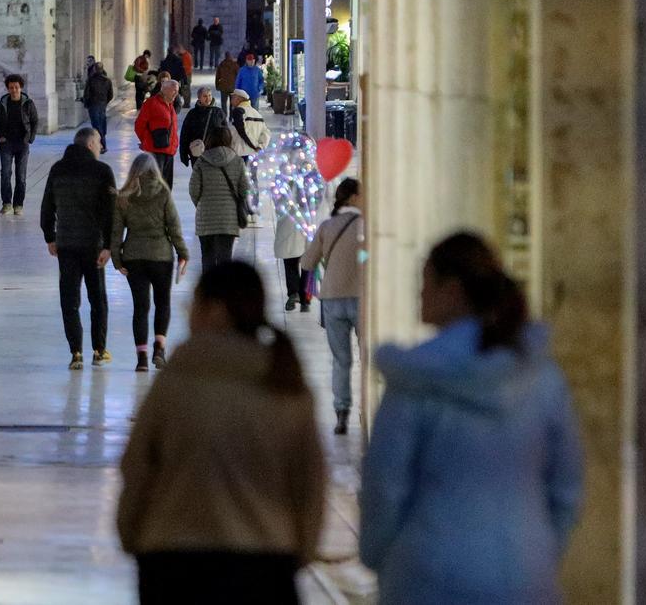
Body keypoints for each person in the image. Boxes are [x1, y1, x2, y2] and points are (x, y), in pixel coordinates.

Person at [360, 233, 583, 604]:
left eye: (425, 282)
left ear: (452, 290)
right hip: (524, 577)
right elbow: (566, 486)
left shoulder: (415, 380)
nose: (419, 294)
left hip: (426, 577)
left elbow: (385, 486)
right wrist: (540, 552)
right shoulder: (543, 379)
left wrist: (379, 556)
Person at [117, 262, 325, 605]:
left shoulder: (175, 383)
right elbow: (310, 482)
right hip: (265, 564)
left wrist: (134, 537)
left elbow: (137, 467)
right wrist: (299, 550)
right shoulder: (286, 384)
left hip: (172, 561)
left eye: (192, 305)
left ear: (215, 311)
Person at [40, 126, 119, 369]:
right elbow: (112, 212)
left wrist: (50, 237)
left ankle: (76, 352)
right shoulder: (102, 171)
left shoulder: (58, 169)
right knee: (98, 299)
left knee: (69, 299)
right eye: (99, 142)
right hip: (93, 245)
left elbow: (47, 206)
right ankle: (99, 350)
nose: (101, 146)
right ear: (90, 144)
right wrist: (109, 246)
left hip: (66, 244)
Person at [111, 153, 190, 372]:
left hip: (134, 257)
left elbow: (116, 232)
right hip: (161, 256)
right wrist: (183, 252)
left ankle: (142, 358)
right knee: (162, 302)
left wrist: (117, 259)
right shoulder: (163, 192)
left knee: (140, 307)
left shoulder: (124, 196)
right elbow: (174, 227)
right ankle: (159, 348)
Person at [299, 179, 363, 434]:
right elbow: (368, 257)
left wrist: (331, 259)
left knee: (341, 360)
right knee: (367, 355)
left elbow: (307, 262)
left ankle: (341, 413)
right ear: (354, 198)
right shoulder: (365, 226)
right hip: (360, 298)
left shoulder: (327, 226)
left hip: (332, 299)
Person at [189, 125, 248, 273]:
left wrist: (202, 204)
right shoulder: (238, 161)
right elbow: (245, 190)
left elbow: (193, 190)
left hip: (206, 218)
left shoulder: (201, 162)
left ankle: (208, 287)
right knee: (225, 259)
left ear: (209, 140)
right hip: (228, 219)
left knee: (207, 258)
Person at [0, 73, 40, 216]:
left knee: (21, 176)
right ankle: (6, 204)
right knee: (5, 173)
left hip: (22, 143)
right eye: (11, 87)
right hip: (6, 143)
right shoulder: (1, 105)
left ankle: (18, 204)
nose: (14, 90)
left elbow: (35, 121)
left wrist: (30, 138)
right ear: (8, 89)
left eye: (16, 87)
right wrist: (0, 137)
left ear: (21, 88)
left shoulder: (28, 104)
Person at [134, 78, 181, 187]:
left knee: (167, 186)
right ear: (164, 89)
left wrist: (174, 146)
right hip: (155, 151)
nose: (176, 93)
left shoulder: (170, 105)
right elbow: (139, 125)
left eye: (177, 90)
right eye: (174, 90)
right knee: (155, 184)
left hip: (169, 151)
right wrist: (147, 141)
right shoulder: (151, 103)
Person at [178, 86, 226, 168]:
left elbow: (225, 134)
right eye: (205, 96)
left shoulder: (219, 112)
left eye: (209, 95)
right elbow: (185, 135)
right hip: (197, 154)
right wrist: (183, 154)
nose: (208, 99)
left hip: (214, 154)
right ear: (199, 98)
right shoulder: (192, 114)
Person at [229, 88, 270, 160]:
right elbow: (266, 132)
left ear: (238, 99)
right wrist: (260, 146)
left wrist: (252, 145)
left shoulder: (238, 111)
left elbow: (241, 130)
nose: (231, 101)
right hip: (253, 153)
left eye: (232, 98)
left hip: (239, 152)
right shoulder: (256, 113)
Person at [83, 61, 114, 141]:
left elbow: (86, 94)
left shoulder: (90, 80)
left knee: (96, 124)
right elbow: (110, 95)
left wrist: (86, 104)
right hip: (102, 104)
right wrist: (105, 102)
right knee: (102, 122)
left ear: (95, 69)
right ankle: (102, 140)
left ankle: (101, 141)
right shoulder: (107, 80)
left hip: (93, 105)